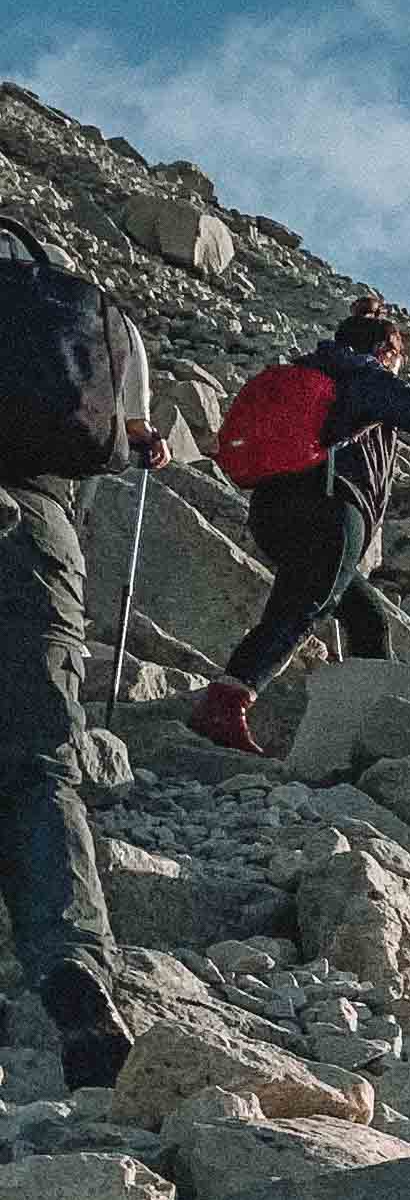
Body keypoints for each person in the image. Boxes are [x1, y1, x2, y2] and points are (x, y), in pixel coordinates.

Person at [0, 225, 157, 1088]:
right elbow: (126, 440)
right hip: (36, 536)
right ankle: (75, 976)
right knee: (37, 770)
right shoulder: (88, 321)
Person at [199, 299, 410, 753]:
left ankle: (373, 724)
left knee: (366, 616)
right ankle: (228, 700)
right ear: (385, 352)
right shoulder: (365, 377)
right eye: (398, 359)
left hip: (271, 509)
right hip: (332, 509)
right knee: (301, 608)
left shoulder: (309, 370)